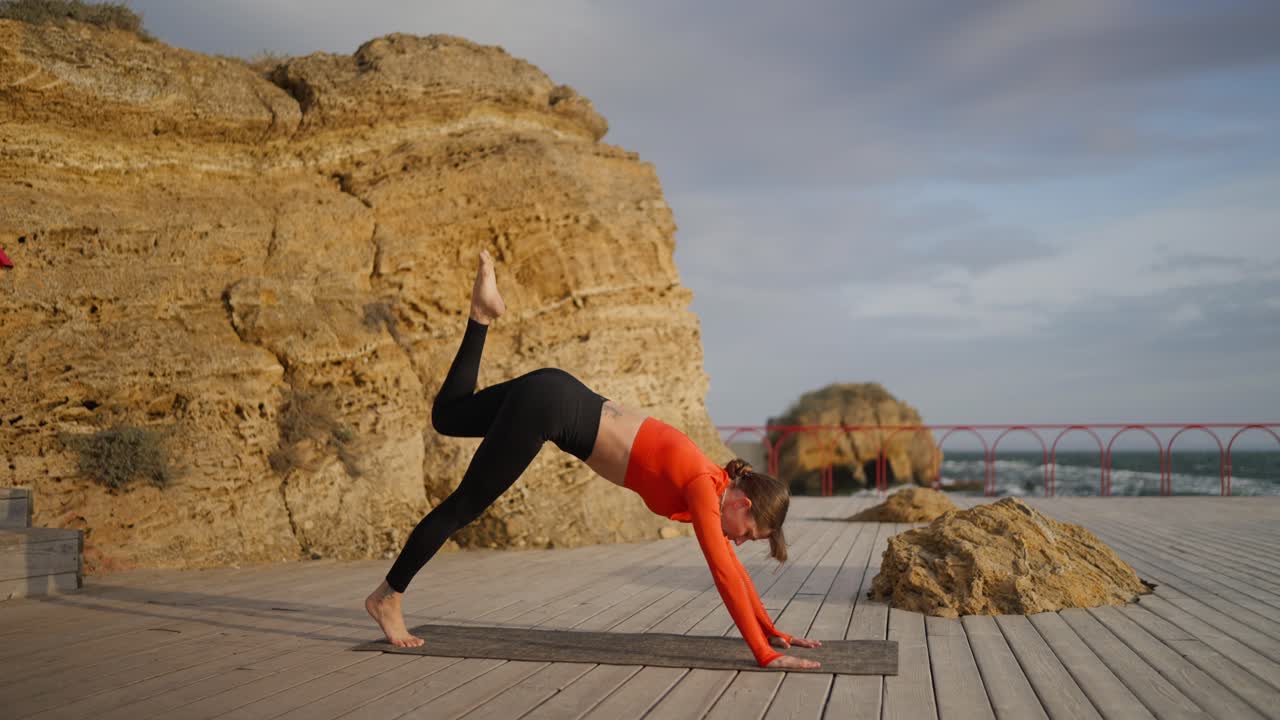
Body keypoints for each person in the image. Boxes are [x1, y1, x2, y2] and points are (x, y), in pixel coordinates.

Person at [365, 251, 822, 670]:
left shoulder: (712, 483)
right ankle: (389, 595)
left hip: (554, 392)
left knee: (448, 416)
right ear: (742, 505)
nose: (740, 543)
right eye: (749, 535)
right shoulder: (705, 487)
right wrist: (763, 655)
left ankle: (481, 317)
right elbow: (724, 572)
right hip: (550, 410)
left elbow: (734, 569)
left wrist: (771, 630)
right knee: (464, 506)